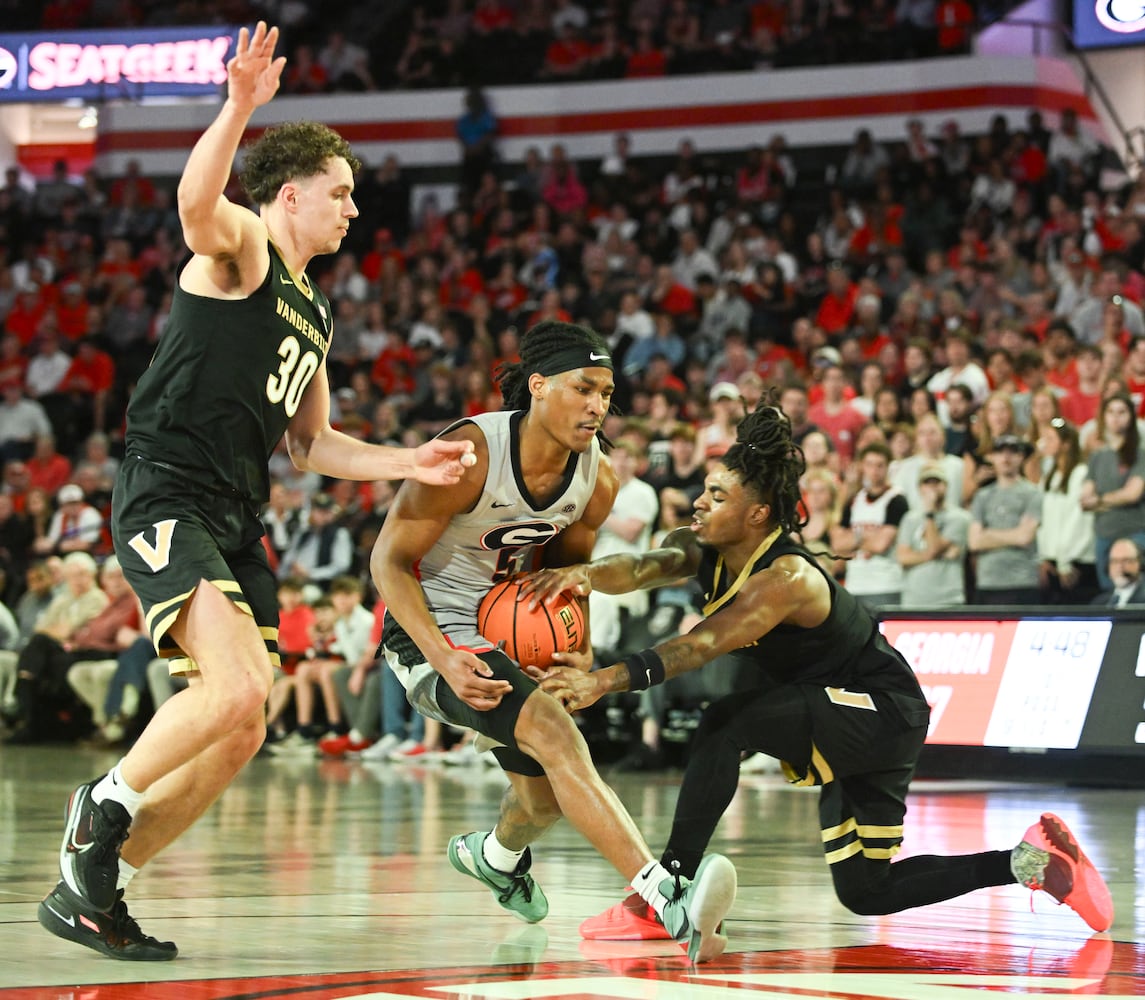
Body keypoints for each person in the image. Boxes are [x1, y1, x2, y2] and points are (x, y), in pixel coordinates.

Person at [39, 23, 479, 962]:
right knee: (234, 687)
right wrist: (237, 105)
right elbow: (197, 203)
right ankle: (100, 808)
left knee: (243, 724)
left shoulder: (312, 310)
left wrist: (406, 463)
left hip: (238, 514)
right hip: (169, 489)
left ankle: (95, 884)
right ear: (291, 195)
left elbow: (313, 443)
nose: (354, 210)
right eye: (342, 194)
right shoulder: (241, 250)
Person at [523, 402, 1113, 943]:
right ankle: (1031, 862)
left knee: (724, 724)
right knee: (866, 892)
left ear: (756, 513)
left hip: (880, 709)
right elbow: (646, 564)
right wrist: (587, 574)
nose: (699, 503)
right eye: (704, 490)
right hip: (845, 712)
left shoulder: (787, 579)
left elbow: (702, 644)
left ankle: (665, 891)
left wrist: (602, 680)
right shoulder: (703, 544)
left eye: (717, 495)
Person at [372, 319, 737, 964]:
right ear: (538, 386)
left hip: (510, 626)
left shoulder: (596, 480)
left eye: (607, 392)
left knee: (540, 800)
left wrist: (582, 652)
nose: (598, 405)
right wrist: (442, 659)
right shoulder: (469, 456)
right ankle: (663, 898)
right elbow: (389, 563)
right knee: (557, 736)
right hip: (433, 629)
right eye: (584, 387)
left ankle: (494, 857)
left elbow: (569, 575)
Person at [1080, 394, 1145, 591]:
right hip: (1103, 535)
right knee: (1109, 595)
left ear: (1131, 417)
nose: (1116, 417)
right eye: (1110, 412)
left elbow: (1132, 494)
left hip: (1135, 533)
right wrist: (1114, 498)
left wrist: (1099, 500)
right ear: (1103, 418)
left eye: (1121, 412)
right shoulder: (1097, 456)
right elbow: (1084, 500)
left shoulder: (1140, 454)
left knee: (1137, 593)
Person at [968, 435, 1043, 604]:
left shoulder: (1032, 494)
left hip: (1022, 581)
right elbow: (974, 542)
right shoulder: (982, 495)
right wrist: (1012, 535)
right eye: (1000, 452)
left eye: (1012, 452)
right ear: (992, 457)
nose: (1006, 458)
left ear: (1021, 457)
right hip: (988, 582)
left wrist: (987, 534)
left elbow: (1024, 537)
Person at [895, 462, 970, 607]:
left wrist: (929, 514)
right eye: (927, 483)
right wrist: (932, 554)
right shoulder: (910, 518)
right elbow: (902, 557)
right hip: (913, 600)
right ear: (919, 488)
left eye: (937, 482)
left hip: (948, 599)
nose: (932, 487)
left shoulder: (960, 518)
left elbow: (934, 547)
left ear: (946, 486)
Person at [1091, 538, 1145, 607]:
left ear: (1140, 564)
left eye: (1126, 561)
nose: (1120, 567)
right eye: (1115, 561)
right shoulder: (1099, 603)